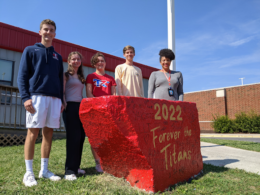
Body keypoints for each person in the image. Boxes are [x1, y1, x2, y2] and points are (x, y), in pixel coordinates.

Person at [17, 19, 63, 187]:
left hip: (55, 99)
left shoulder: (58, 57)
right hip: (36, 97)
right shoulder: (30, 50)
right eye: (45, 29)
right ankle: (28, 173)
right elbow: (22, 76)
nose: (48, 32)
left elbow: (60, 79)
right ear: (40, 32)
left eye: (51, 30)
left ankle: (44, 170)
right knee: (32, 133)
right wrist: (25, 98)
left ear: (55, 34)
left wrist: (62, 99)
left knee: (48, 133)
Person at [86, 52, 116, 172]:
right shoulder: (90, 76)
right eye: (98, 61)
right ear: (94, 63)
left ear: (105, 63)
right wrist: (96, 107)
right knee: (95, 137)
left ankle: (107, 161)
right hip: (95, 110)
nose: (100, 63)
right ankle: (98, 163)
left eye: (102, 61)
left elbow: (114, 95)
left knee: (108, 137)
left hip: (108, 111)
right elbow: (88, 93)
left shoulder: (110, 78)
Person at [63, 51, 86, 181]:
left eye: (78, 59)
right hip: (70, 106)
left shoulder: (81, 77)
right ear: (69, 61)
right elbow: (62, 91)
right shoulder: (66, 75)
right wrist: (64, 104)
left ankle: (76, 167)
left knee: (81, 137)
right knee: (73, 138)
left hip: (80, 107)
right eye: (73, 59)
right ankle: (69, 171)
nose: (76, 61)